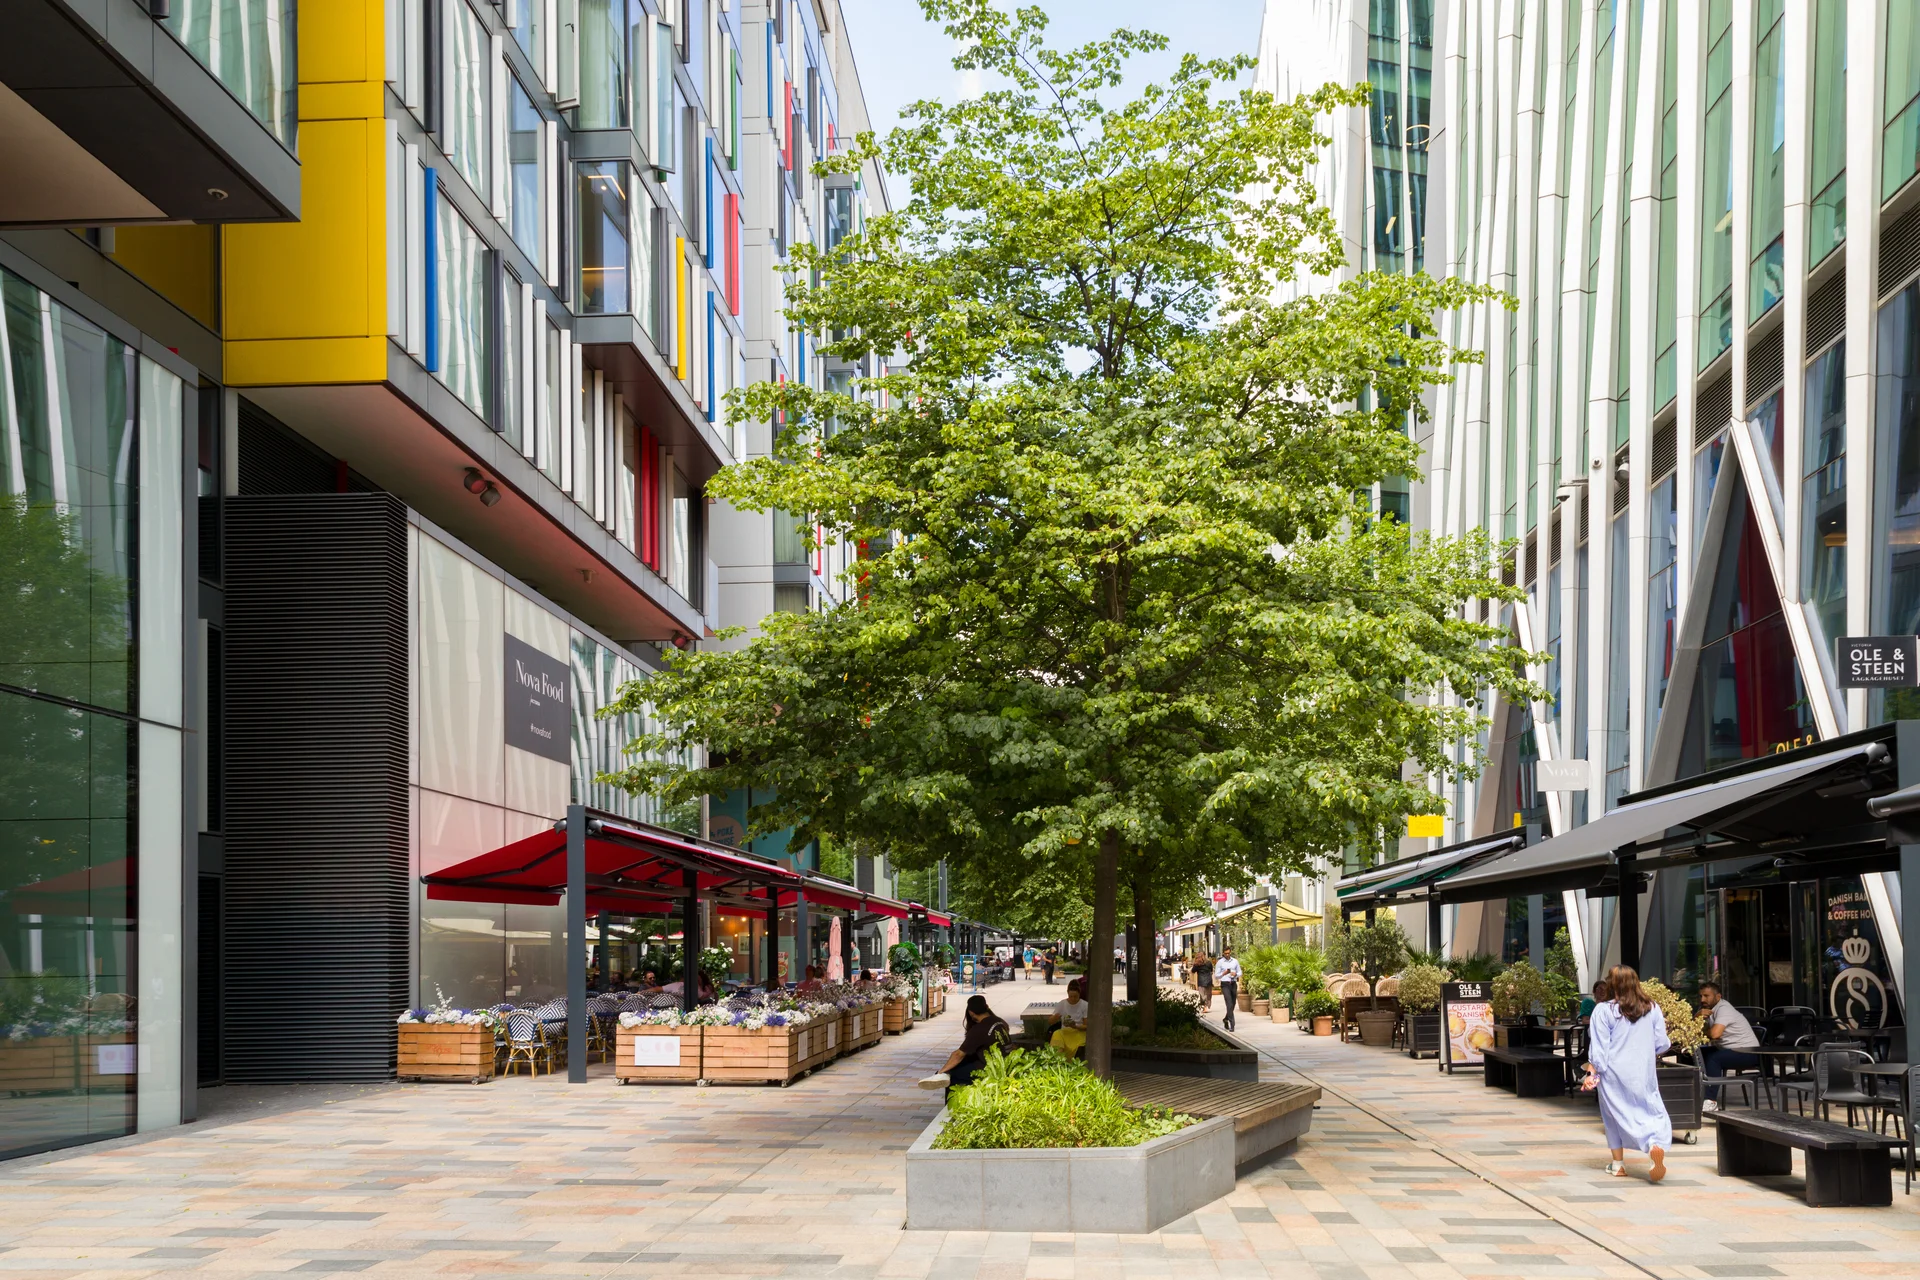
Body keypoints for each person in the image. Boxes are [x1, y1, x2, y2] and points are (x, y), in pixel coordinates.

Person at [1582, 965, 1671, 1182]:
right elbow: (1662, 1043)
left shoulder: (1604, 1011)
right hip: (1643, 1071)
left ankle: (1618, 1165)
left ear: (1612, 985)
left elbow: (1600, 1050)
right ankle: (1654, 1146)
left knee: (1612, 1115)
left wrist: (1592, 1072)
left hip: (1613, 1072)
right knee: (1651, 1109)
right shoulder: (1652, 1008)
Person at [919, 995, 1011, 1096]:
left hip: (989, 1069)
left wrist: (941, 1071)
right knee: (964, 1061)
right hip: (1005, 1063)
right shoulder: (1000, 1021)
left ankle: (951, 1103)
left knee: (953, 1075)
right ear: (987, 1006)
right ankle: (945, 1075)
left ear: (971, 1012)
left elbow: (958, 1055)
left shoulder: (979, 1029)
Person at [1697, 980, 1761, 1112]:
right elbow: (1694, 1032)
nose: (1703, 999)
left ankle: (1710, 1101)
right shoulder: (1706, 1011)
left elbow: (1715, 1034)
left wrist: (1703, 1030)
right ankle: (1695, 1094)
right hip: (1729, 1049)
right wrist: (1696, 1017)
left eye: (1706, 996)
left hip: (1748, 1052)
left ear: (1718, 997)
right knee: (1696, 1054)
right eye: (1701, 996)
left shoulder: (1724, 1009)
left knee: (1714, 1059)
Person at [1048, 978, 1091, 1058]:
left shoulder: (1084, 1005)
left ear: (1079, 994)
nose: (1073, 999)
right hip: (1065, 1032)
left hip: (1079, 1032)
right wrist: (1055, 1017)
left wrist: (1075, 1026)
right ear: (1068, 993)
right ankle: (1058, 1060)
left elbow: (1087, 1026)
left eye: (1075, 996)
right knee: (1056, 1034)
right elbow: (1050, 1021)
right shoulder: (1062, 1004)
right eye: (1071, 996)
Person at [1215, 946, 1243, 1031]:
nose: (1227, 955)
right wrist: (1224, 973)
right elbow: (1216, 975)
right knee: (1229, 1003)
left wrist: (1236, 974)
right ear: (1223, 953)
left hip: (1233, 983)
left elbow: (1240, 972)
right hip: (1225, 984)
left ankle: (1226, 1019)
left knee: (1233, 1003)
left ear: (1230, 952)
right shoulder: (1220, 962)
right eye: (1225, 953)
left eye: (1228, 953)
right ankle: (1232, 1024)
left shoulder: (1235, 961)